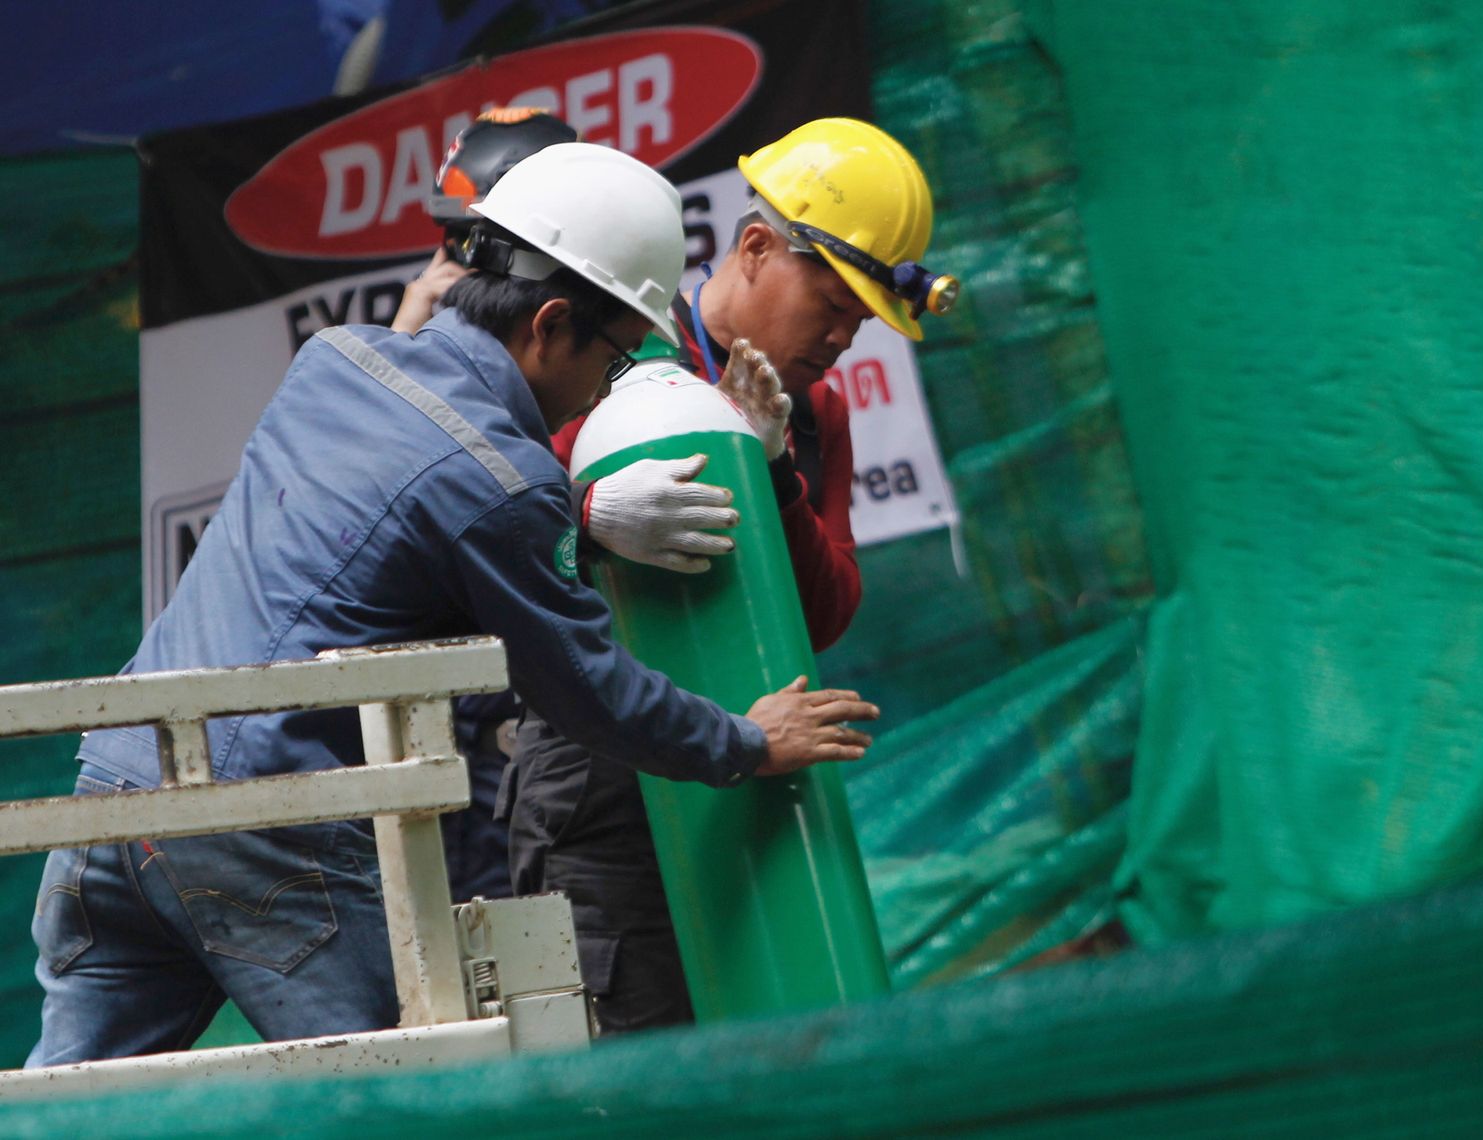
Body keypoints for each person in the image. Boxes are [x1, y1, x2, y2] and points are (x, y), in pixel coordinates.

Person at [27, 141, 878, 1067]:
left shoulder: (335, 360)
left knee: (69, 1109)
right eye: (617, 354)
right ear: (550, 325)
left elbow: (377, 538)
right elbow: (587, 689)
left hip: (113, 790)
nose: (609, 385)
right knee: (420, 1094)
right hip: (266, 828)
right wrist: (750, 741)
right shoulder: (504, 481)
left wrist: (577, 528)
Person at [500, 117, 956, 1034]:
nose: (841, 339)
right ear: (755, 248)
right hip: (602, 766)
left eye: (860, 322)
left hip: (759, 751)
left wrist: (775, 465)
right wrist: (588, 516)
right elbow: (481, 519)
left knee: (789, 1035)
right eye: (830, 307)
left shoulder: (812, 409)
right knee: (635, 1060)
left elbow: (827, 612)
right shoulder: (604, 342)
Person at [391, 106, 580, 903]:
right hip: (437, 702)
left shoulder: (576, 336)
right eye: (452, 241)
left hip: (534, 693)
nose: (460, 264)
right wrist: (407, 331)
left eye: (476, 242)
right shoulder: (419, 334)